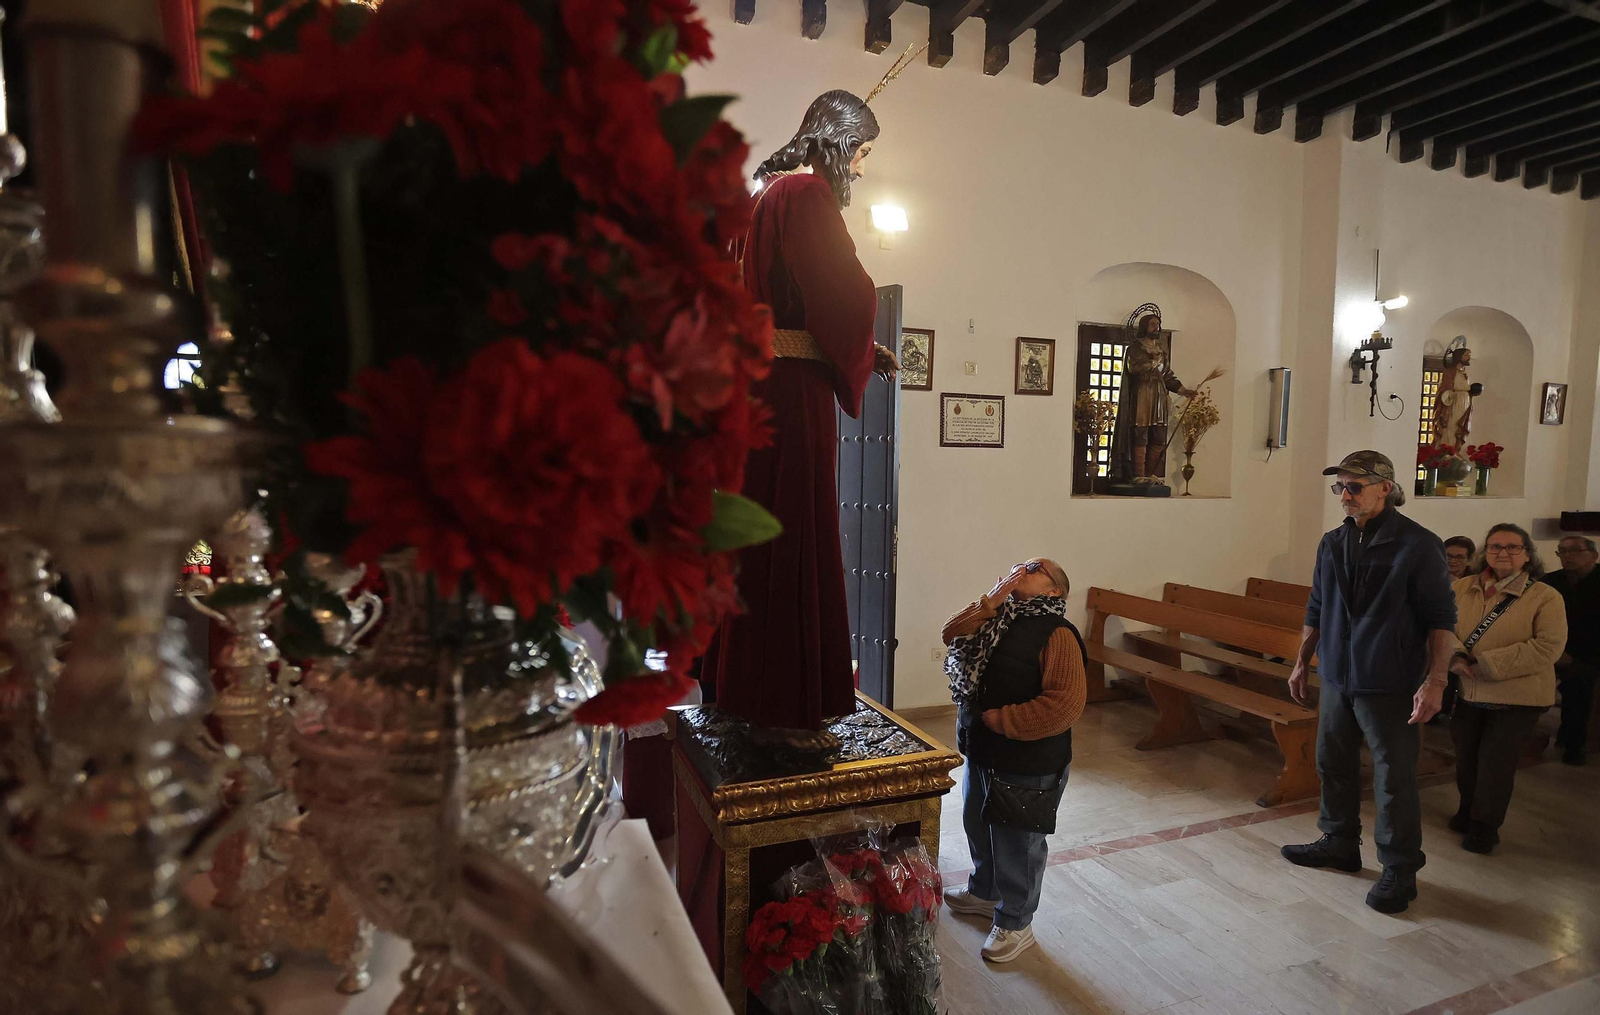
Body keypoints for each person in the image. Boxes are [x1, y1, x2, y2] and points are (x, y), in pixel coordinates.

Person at [702, 90, 899, 739]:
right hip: (794, 397)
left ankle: (741, 685)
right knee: (793, 532)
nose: (862, 168)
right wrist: (857, 335)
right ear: (838, 142)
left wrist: (863, 351)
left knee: (760, 537)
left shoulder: (762, 197)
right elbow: (842, 293)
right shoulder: (806, 196)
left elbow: (781, 307)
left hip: (762, 386)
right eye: (862, 152)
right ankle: (783, 699)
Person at [1281, 450, 1456, 914]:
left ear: (1385, 488)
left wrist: (1435, 681)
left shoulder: (1418, 544)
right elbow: (1316, 607)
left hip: (1390, 679)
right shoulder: (1333, 542)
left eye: (1354, 486)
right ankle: (1339, 841)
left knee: (1393, 777)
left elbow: (1441, 618)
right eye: (1340, 486)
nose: (1345, 495)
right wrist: (1302, 661)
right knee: (1331, 762)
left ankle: (1399, 867)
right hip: (1338, 674)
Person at [940, 558, 1085, 964]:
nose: (1023, 567)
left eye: (1035, 567)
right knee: (979, 824)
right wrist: (993, 598)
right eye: (1019, 563)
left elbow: (1065, 704)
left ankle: (1017, 924)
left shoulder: (1058, 634)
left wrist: (1006, 720)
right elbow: (951, 633)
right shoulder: (998, 618)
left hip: (1028, 757)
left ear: (1055, 590)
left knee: (1017, 842)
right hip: (985, 749)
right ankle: (985, 893)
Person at [1445, 524, 1566, 854]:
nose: (1503, 553)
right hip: (1469, 690)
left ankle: (1486, 826)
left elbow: (1547, 647)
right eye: (1496, 547)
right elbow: (1443, 626)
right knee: (1467, 758)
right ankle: (1468, 809)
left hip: (1518, 696)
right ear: (1485, 552)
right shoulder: (1463, 587)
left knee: (1496, 764)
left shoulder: (1545, 596)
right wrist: (1455, 657)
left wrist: (1486, 663)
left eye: (1513, 547)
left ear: (1527, 554)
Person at [1109, 311, 1196, 485]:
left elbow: (1167, 376)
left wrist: (1184, 391)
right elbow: (1133, 367)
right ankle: (1138, 474)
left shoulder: (1161, 352)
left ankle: (1149, 475)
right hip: (1142, 395)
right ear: (1144, 327)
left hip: (1158, 398)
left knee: (1158, 435)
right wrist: (1151, 363)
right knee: (1140, 433)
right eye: (1152, 324)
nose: (1156, 327)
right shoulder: (1135, 349)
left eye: (1158, 324)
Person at [1546, 536, 1599, 765]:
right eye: (1562, 551)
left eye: (1575, 551)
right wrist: (1555, 651)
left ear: (1594, 555)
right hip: (1554, 648)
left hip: (1591, 652)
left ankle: (1575, 744)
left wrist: (1572, 657)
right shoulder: (1549, 582)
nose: (1568, 556)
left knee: (1580, 680)